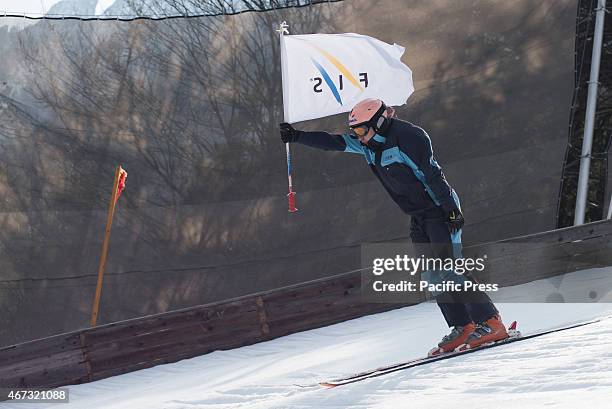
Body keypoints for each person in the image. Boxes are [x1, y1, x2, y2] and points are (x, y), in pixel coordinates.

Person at [279, 98, 508, 354]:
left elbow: (433, 175)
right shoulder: (367, 143)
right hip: (418, 215)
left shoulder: (408, 138)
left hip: (439, 211)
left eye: (362, 130)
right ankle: (463, 326)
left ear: (379, 121)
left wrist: (451, 211)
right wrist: (296, 136)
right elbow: (334, 142)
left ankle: (491, 322)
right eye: (355, 131)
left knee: (450, 269)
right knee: (432, 275)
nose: (358, 136)